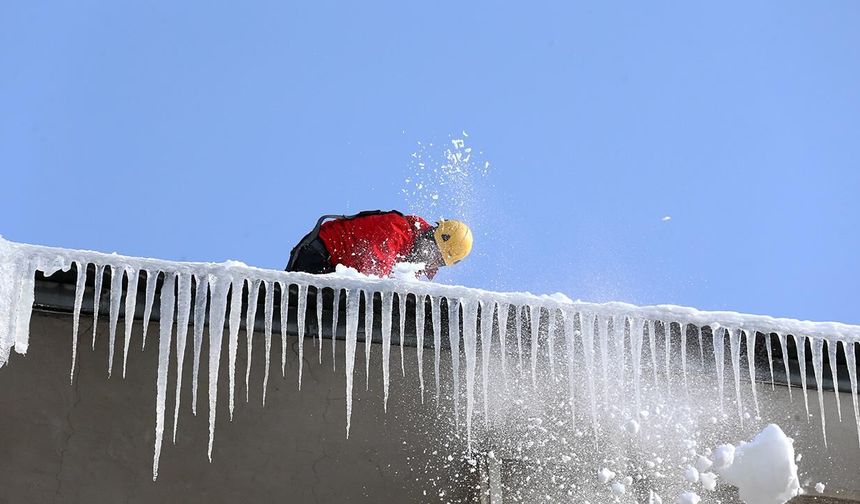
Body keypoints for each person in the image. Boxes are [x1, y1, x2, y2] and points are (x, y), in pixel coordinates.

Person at [286, 210, 472, 280]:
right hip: (317, 255)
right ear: (430, 235)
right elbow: (373, 272)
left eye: (437, 259)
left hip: (333, 266)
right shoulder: (398, 228)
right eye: (432, 250)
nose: (429, 258)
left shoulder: (411, 265)